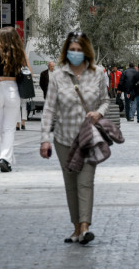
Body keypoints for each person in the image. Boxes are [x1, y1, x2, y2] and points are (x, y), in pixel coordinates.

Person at [39, 31, 108, 245]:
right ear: (66, 52)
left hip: (88, 138)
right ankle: (76, 226)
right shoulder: (58, 76)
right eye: (72, 50)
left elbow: (106, 100)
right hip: (63, 139)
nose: (75, 54)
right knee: (70, 184)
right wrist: (45, 138)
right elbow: (49, 108)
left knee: (85, 182)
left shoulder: (98, 73)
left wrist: (99, 113)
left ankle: (85, 227)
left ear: (86, 52)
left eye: (79, 50)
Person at [0, 26, 28, 173]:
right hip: (12, 89)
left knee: (0, 128)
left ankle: (4, 158)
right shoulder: (19, 54)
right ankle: (5, 158)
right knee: (9, 128)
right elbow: (27, 70)